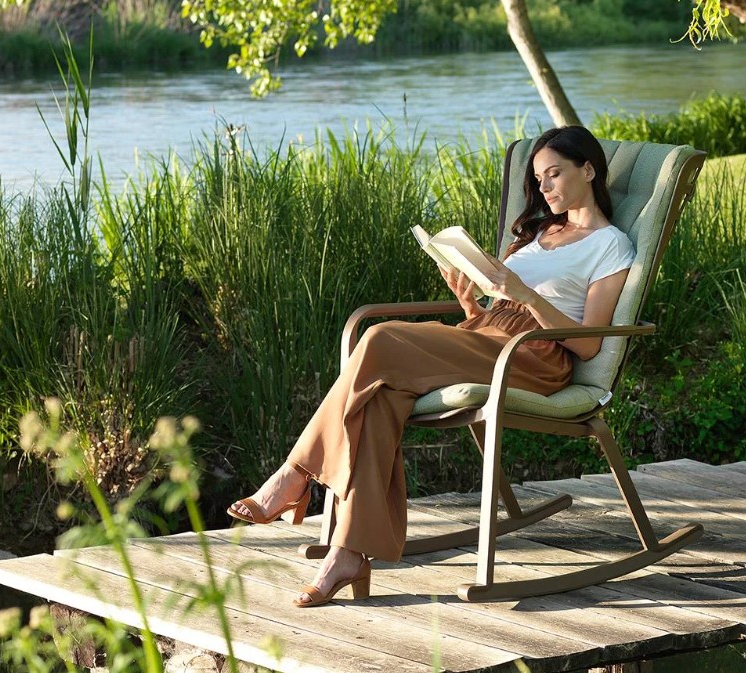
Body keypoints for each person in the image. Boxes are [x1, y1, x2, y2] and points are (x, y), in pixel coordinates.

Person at [227, 125, 636, 607]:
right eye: (538, 178)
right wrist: (469, 301)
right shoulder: (540, 232)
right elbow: (494, 312)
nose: (543, 187)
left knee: (380, 336)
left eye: (554, 174)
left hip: (531, 357)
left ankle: (295, 474)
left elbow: (587, 345)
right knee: (381, 398)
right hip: (486, 337)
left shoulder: (610, 244)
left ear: (588, 170)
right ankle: (347, 554)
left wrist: (525, 294)